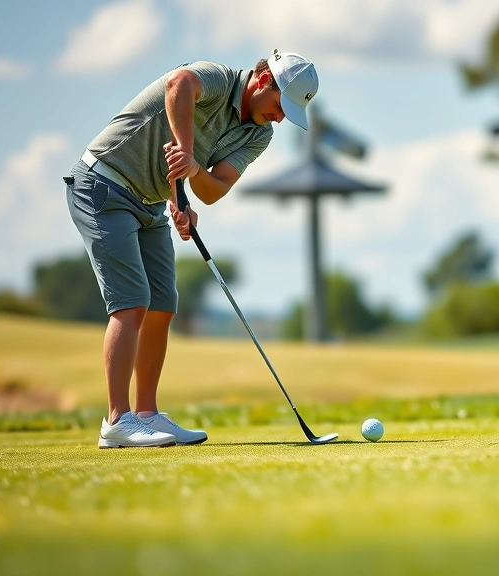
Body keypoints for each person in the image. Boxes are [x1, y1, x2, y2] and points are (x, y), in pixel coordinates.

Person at [64, 50, 319, 448]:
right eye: (279, 105)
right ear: (263, 78)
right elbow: (178, 84)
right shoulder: (217, 78)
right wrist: (185, 151)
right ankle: (117, 421)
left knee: (162, 304)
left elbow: (215, 188)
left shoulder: (259, 133)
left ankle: (146, 414)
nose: (281, 117)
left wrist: (189, 179)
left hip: (148, 203)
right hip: (104, 184)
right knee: (131, 303)